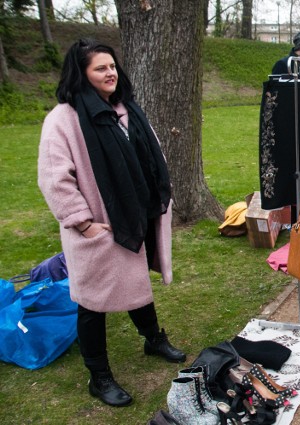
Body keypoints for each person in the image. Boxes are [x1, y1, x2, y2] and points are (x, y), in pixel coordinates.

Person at [37, 39, 185, 407]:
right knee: (92, 301)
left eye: (112, 66)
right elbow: (55, 178)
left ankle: (153, 339)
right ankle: (99, 376)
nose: (110, 73)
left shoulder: (126, 108)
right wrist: (82, 223)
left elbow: (151, 153)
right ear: (81, 74)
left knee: (134, 282)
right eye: (100, 68)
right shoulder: (64, 118)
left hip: (134, 215)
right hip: (98, 226)